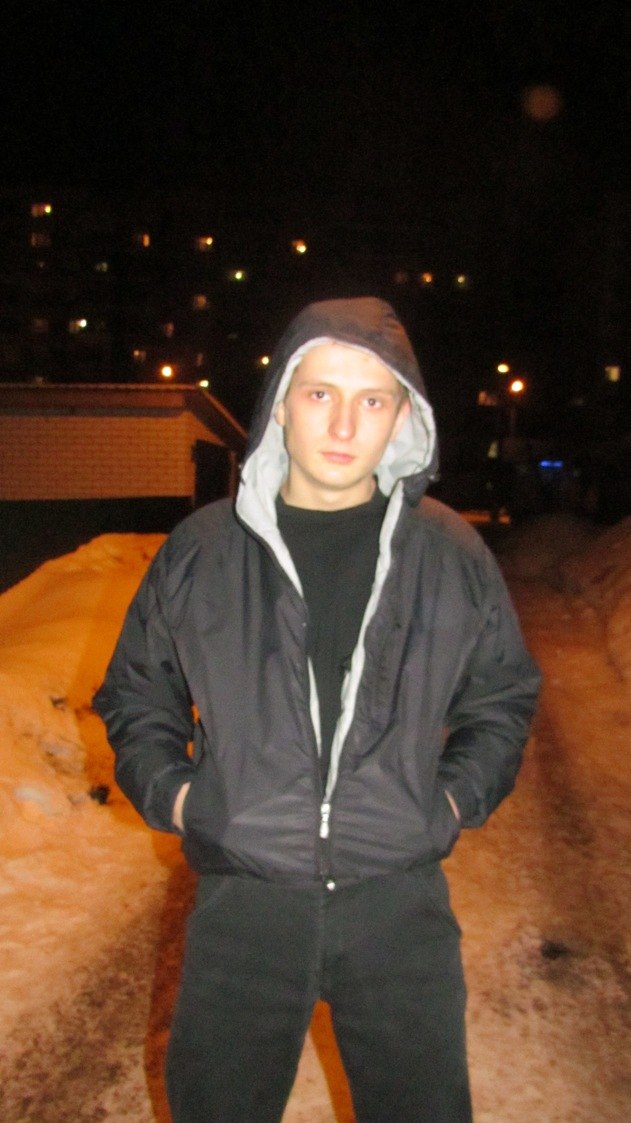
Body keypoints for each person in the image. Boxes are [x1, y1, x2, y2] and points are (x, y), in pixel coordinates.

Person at [93, 296, 541, 1123]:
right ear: (280, 405)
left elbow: (502, 697)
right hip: (245, 907)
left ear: (402, 417)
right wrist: (185, 799)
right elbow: (136, 692)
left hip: (397, 908)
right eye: (319, 393)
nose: (342, 424)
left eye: (372, 399)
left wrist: (445, 803)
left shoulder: (448, 553)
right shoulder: (204, 550)